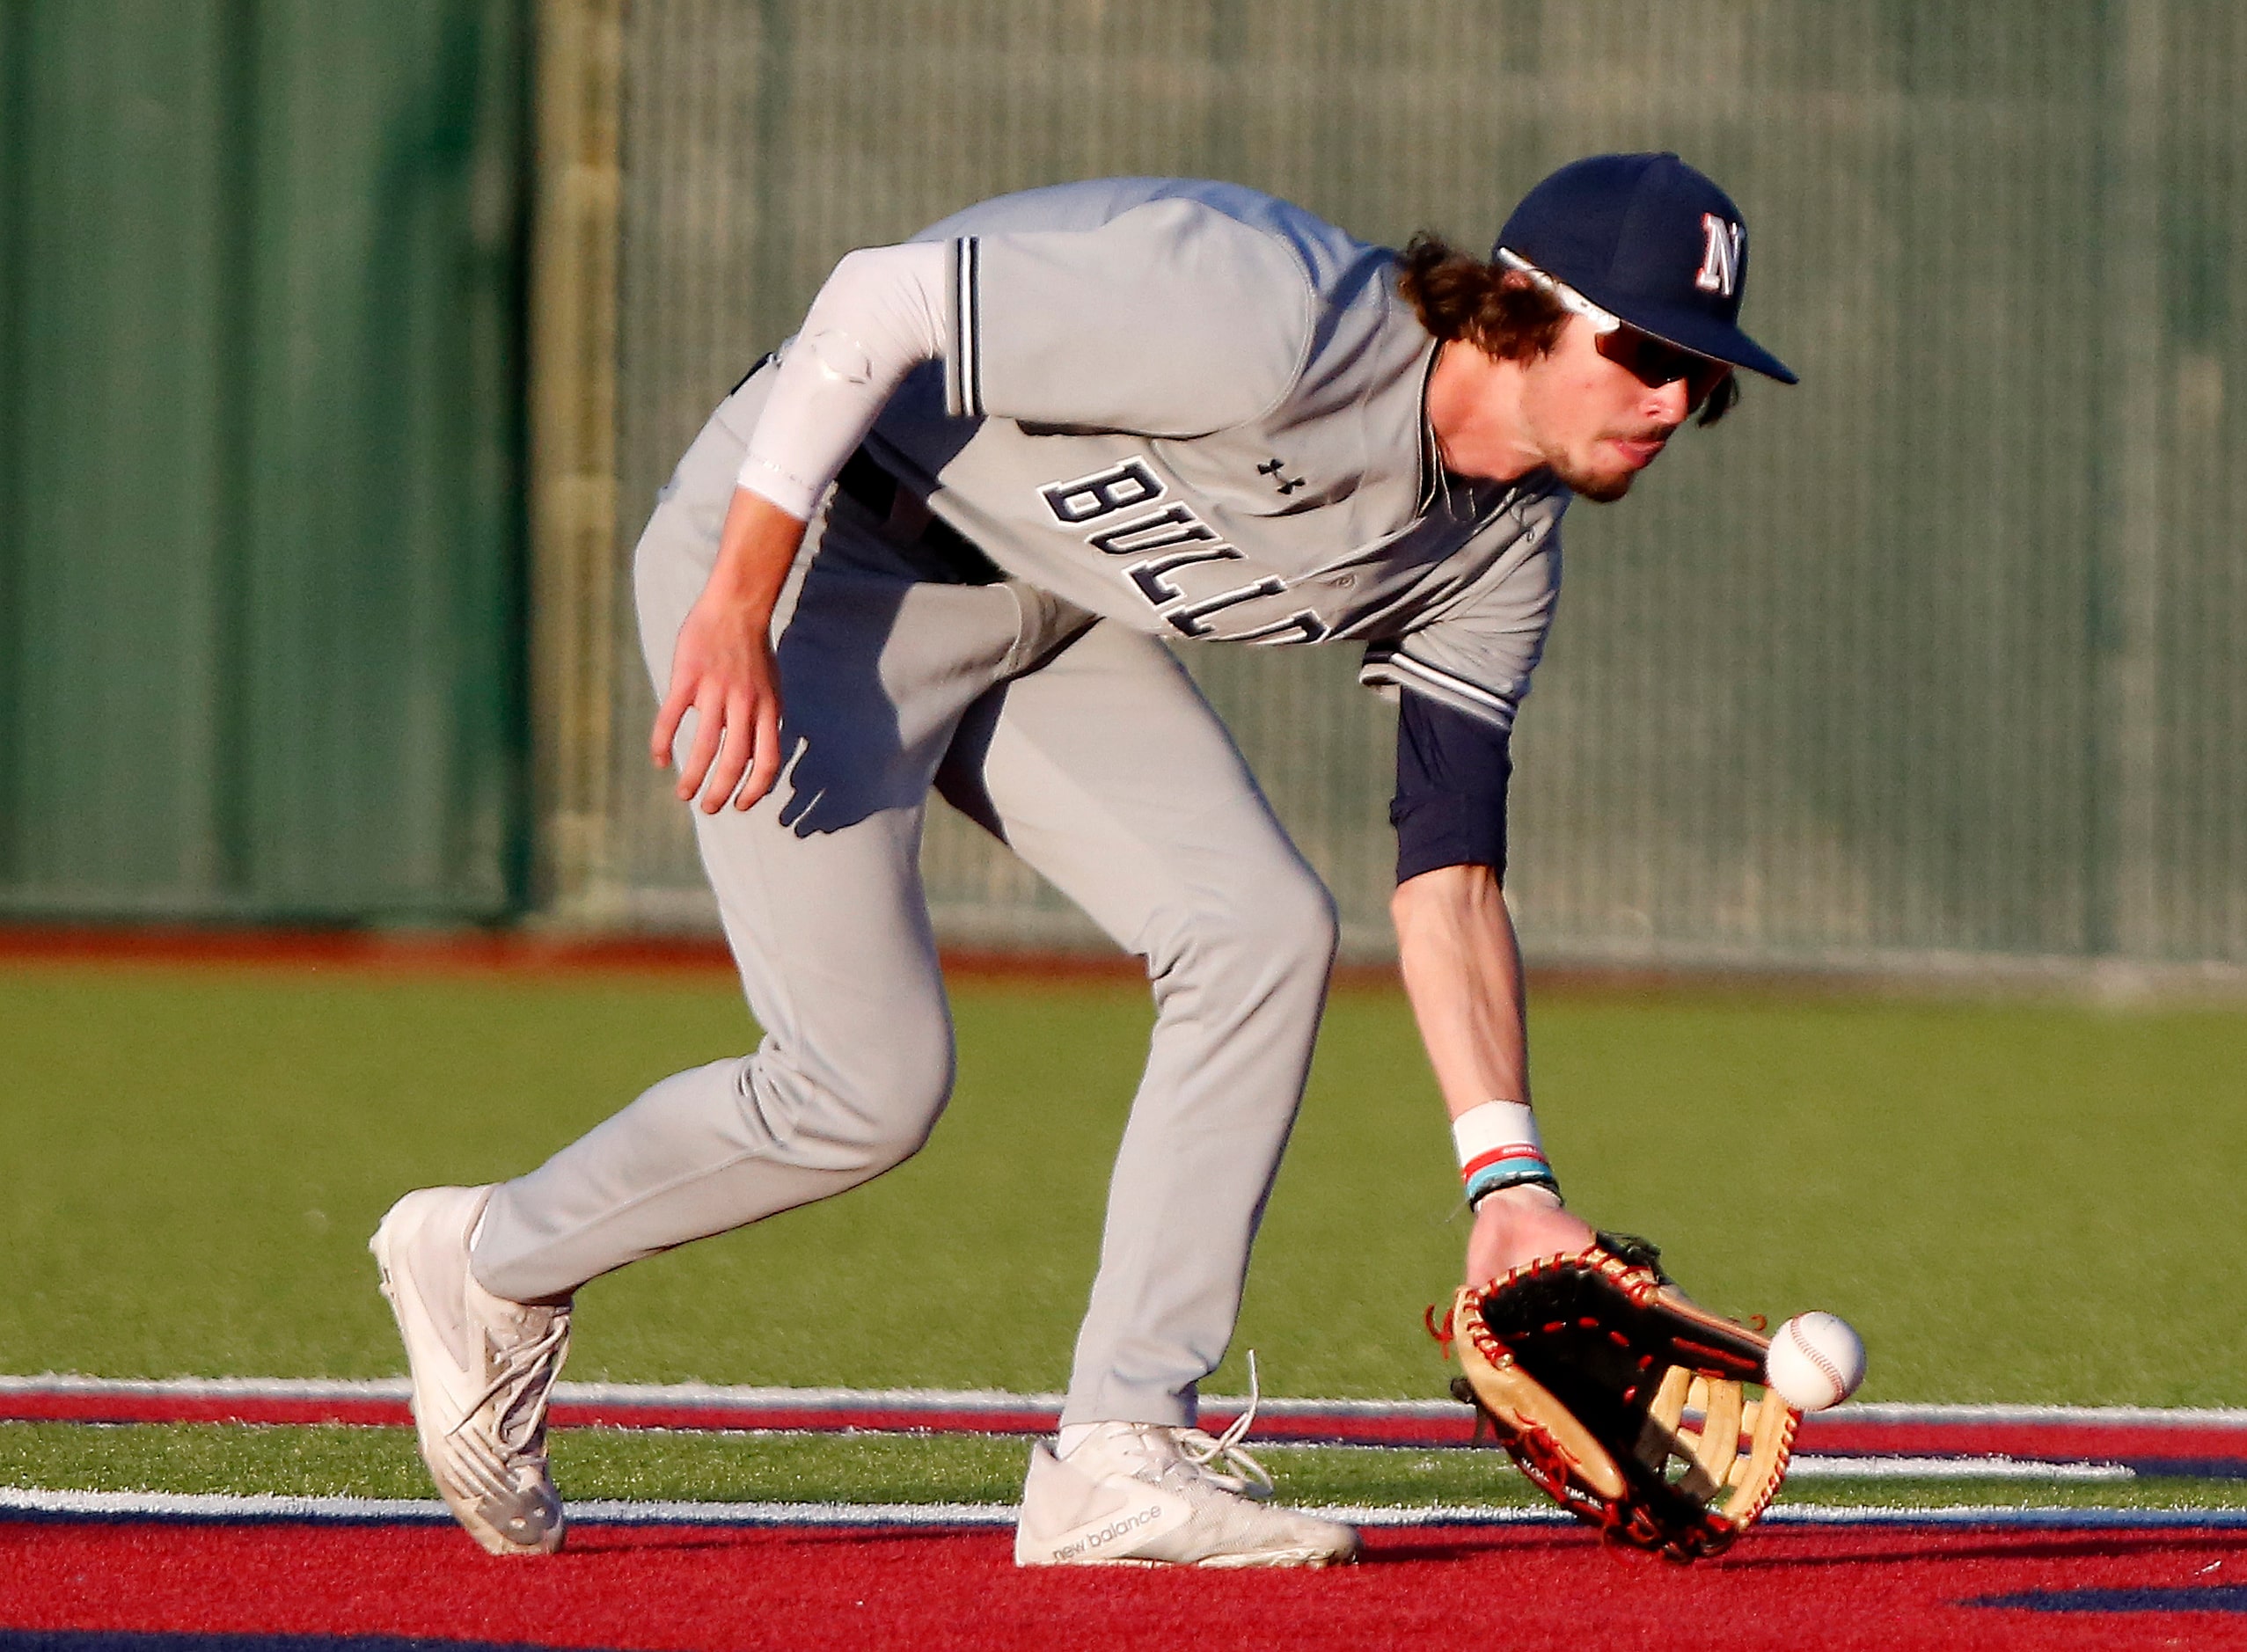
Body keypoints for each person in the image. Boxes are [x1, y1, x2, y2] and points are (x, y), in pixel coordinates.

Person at [370, 151, 1795, 1568]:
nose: (1674, 396)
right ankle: (487, 1262)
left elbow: (1449, 881)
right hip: (815, 569)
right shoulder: (1271, 316)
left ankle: (1118, 1445)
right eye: (1646, 348)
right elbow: (873, 303)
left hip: (1038, 607)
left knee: (1259, 929)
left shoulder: (1499, 552)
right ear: (1515, 306)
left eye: (1707, 373)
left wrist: (1510, 1184)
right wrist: (736, 594)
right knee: (858, 1088)